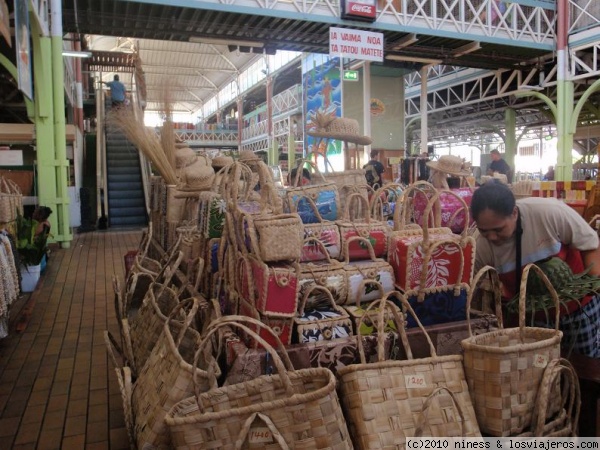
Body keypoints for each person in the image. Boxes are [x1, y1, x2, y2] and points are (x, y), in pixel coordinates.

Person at [471, 181, 600, 357]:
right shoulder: (481, 245)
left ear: (514, 213)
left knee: (585, 364)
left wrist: (592, 286)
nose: (492, 237)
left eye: (498, 229)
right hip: (531, 318)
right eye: (484, 231)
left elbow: (590, 245)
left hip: (577, 307)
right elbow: (471, 288)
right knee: (537, 368)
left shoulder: (549, 212)